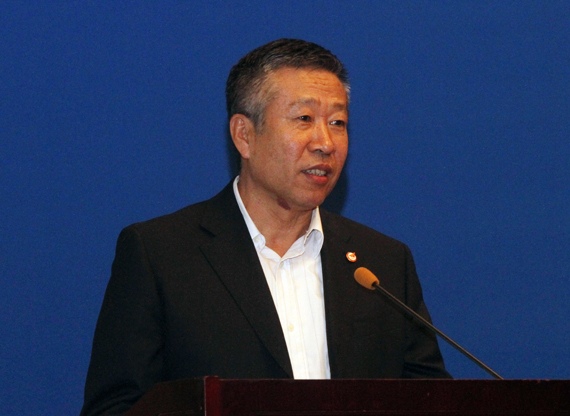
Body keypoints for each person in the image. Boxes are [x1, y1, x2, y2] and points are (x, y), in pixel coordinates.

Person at [80, 38, 450, 416]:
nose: (325, 143)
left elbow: (432, 402)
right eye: (304, 119)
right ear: (244, 135)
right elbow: (114, 409)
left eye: (337, 123)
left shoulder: (383, 265)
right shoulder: (161, 256)